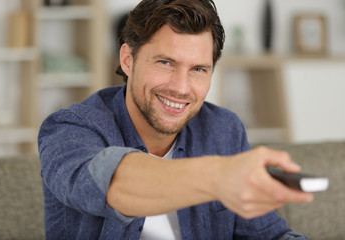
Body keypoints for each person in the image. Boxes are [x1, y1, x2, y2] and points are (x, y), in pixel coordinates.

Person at [38, 0, 314, 239]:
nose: (181, 87)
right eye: (165, 63)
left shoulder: (224, 129)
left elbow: (268, 235)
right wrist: (221, 175)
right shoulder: (69, 129)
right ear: (127, 60)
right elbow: (113, 184)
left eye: (197, 69)